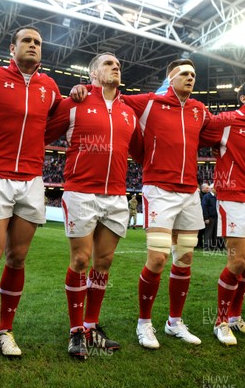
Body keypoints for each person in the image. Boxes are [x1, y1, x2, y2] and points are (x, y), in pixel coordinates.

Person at [93, 58, 205, 350]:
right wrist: (84, 89)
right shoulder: (150, 103)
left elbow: (218, 130)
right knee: (157, 260)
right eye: (183, 73)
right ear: (170, 77)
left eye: (193, 74)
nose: (190, 77)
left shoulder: (199, 110)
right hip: (159, 190)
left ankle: (174, 322)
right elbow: (112, 95)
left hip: (190, 193)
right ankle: (144, 323)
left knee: (184, 260)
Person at [0, 26, 62, 359]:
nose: (33, 45)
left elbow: (57, 121)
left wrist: (80, 92)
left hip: (33, 180)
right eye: (27, 41)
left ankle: (5, 331)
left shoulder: (49, 87)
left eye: (38, 42)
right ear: (12, 48)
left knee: (17, 258)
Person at [45, 52, 142, 358]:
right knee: (80, 261)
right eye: (109, 64)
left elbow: (140, 150)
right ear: (94, 74)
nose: (116, 66)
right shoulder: (75, 102)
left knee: (103, 263)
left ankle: (91, 325)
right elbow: (42, 132)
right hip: (81, 192)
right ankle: (75, 332)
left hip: (116, 195)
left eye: (118, 63)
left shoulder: (129, 111)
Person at [199, 77, 245, 346]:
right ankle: (220, 321)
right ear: (243, 98)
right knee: (237, 262)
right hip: (233, 199)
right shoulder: (227, 121)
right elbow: (199, 128)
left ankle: (235, 318)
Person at [202, 184, 219, 250]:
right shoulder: (207, 196)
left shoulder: (216, 196)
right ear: (212, 188)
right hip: (210, 217)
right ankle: (207, 246)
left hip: (216, 217)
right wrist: (206, 218)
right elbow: (204, 207)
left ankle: (214, 246)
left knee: (215, 232)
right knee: (208, 232)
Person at [197, 183, 210, 248]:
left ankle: (201, 244)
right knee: (200, 231)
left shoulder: (207, 195)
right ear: (203, 189)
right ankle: (198, 243)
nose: (208, 189)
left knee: (204, 230)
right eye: (207, 188)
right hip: (200, 214)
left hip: (204, 215)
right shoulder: (199, 195)